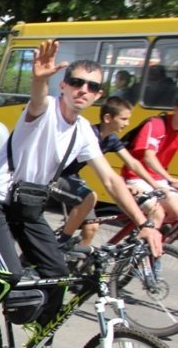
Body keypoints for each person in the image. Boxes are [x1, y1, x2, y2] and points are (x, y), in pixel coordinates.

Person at [0, 40, 162, 348]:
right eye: (76, 82)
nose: (83, 90)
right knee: (10, 273)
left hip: (28, 205)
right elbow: (38, 99)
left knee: (59, 273)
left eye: (91, 86)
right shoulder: (45, 109)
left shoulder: (83, 132)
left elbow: (111, 179)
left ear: (98, 95)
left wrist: (145, 224)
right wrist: (39, 78)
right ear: (63, 85)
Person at [56, 96, 163, 247]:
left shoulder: (111, 139)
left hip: (72, 177)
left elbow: (132, 163)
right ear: (107, 118)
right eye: (123, 119)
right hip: (56, 176)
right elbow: (103, 172)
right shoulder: (89, 134)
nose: (127, 123)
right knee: (90, 197)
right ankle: (60, 244)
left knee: (91, 228)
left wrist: (156, 185)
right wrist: (123, 186)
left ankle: (75, 260)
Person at [122, 95, 178, 226]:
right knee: (157, 214)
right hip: (136, 178)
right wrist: (170, 179)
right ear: (175, 108)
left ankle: (157, 235)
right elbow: (149, 157)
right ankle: (147, 237)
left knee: (175, 213)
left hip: (160, 180)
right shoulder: (157, 124)